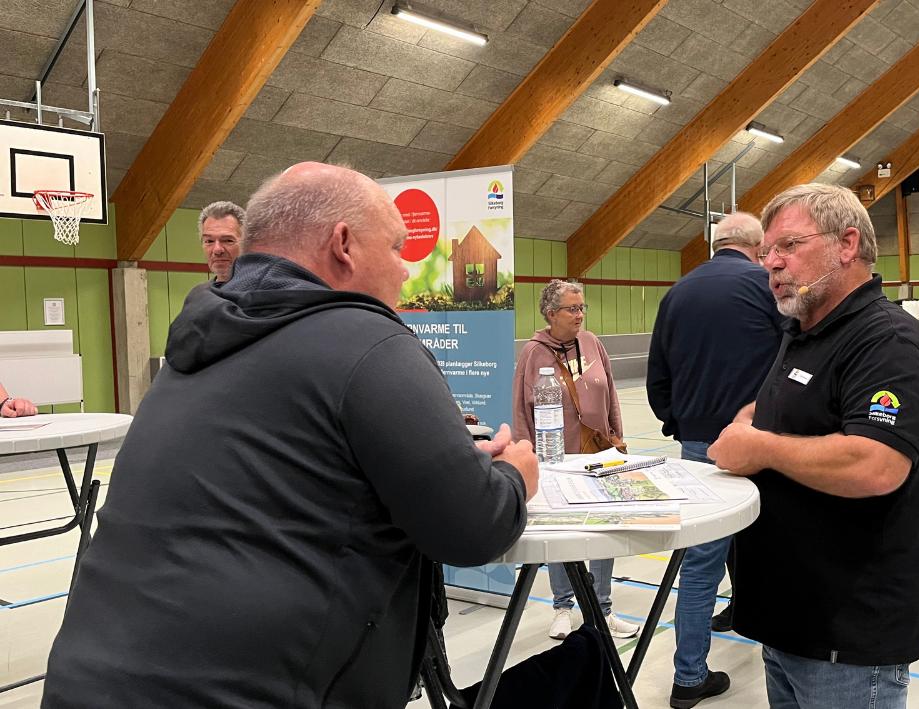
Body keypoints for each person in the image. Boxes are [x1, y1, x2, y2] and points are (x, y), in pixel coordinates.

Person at [42, 162, 539, 708]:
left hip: (86, 682)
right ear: (343, 245)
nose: (405, 273)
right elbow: (469, 527)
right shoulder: (370, 340)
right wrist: (515, 474)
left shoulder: (195, 343)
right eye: (398, 249)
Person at [708, 183, 919, 709]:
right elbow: (790, 411)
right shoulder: (805, 332)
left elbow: (875, 463)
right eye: (768, 251)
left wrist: (762, 447)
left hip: (847, 638)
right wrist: (751, 422)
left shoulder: (888, 342)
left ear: (847, 243)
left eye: (789, 246)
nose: (771, 263)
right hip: (790, 621)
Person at [647, 212, 780, 708]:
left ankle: (692, 668)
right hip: (761, 438)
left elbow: (657, 373)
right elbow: (794, 356)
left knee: (701, 559)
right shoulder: (766, 285)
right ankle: (698, 675)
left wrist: (678, 422)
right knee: (768, 542)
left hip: (699, 443)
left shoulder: (678, 292)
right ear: (757, 245)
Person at [512, 279, 641, 642]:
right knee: (564, 533)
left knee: (605, 528)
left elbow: (611, 392)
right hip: (556, 458)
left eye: (582, 307)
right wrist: (527, 455)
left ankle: (602, 608)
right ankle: (563, 607)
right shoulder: (533, 353)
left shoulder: (593, 343)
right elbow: (522, 411)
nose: (580, 314)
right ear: (551, 314)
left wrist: (618, 436)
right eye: (572, 308)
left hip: (600, 455)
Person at [199, 200, 245, 284]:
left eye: (228, 240)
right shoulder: (197, 295)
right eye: (209, 241)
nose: (217, 250)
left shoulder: (266, 293)